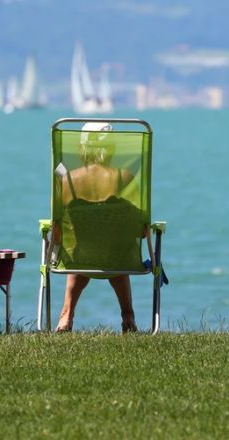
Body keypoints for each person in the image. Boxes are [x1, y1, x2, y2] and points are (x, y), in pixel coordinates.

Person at [55, 122, 141, 333]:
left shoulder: (67, 181)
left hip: (79, 259)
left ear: (82, 147)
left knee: (83, 246)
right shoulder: (125, 178)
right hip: (119, 259)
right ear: (111, 148)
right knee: (113, 247)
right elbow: (141, 229)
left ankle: (66, 316)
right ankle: (128, 316)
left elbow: (57, 232)